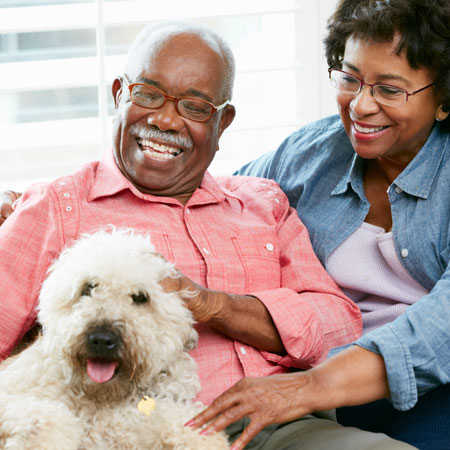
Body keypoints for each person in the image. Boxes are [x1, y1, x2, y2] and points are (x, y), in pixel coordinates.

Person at [0, 20, 416, 450]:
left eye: (194, 107)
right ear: (119, 94)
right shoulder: (57, 206)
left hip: (279, 427)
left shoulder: (262, 202)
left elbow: (338, 324)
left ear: (223, 120)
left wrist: (214, 305)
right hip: (124, 431)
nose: (163, 119)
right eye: (147, 94)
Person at [189, 0, 450, 449]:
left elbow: (439, 331)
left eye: (389, 90)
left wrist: (305, 389)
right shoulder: (312, 153)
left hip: (425, 386)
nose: (361, 106)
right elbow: (211, 198)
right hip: (306, 378)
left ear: (443, 101)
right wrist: (45, 198)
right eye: (350, 78)